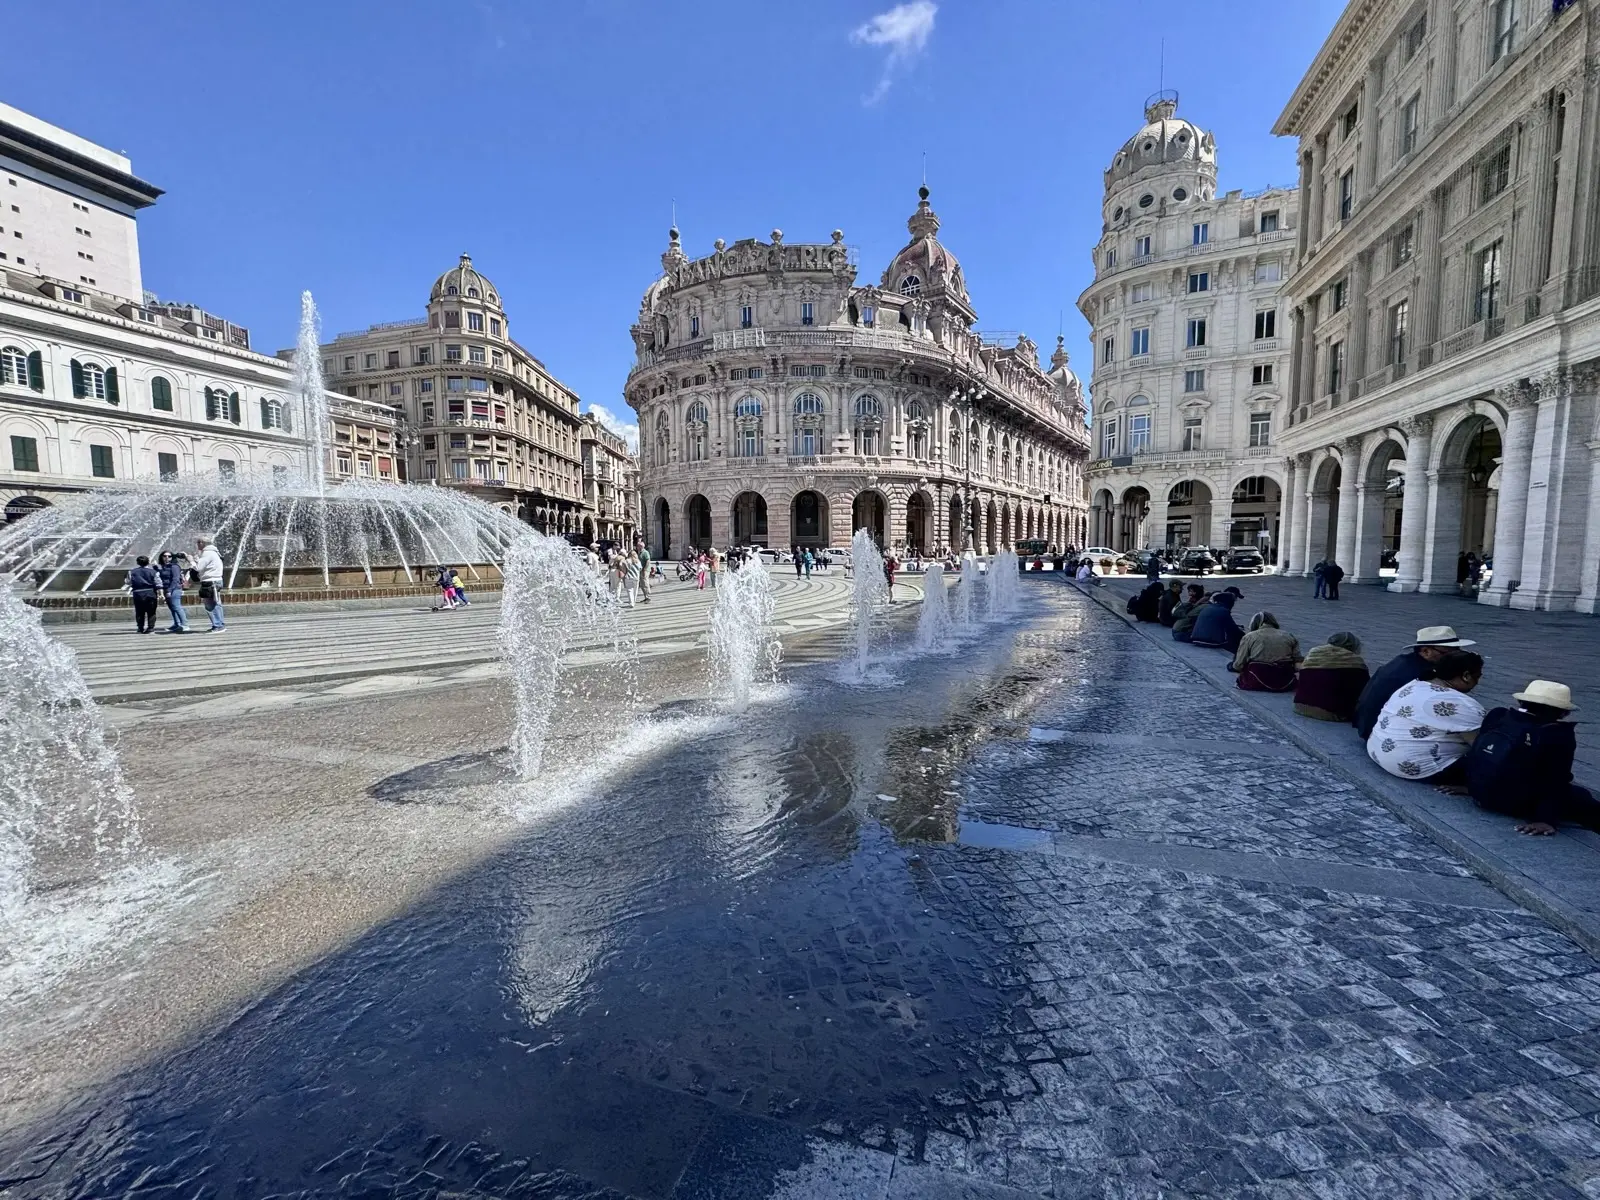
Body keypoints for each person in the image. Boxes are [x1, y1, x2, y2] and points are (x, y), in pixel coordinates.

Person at [1461, 680, 1600, 835]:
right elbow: (1557, 780)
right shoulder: (1557, 733)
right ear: (1563, 712)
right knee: (1581, 798)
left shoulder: (1498, 716)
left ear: (1521, 701)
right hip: (1517, 803)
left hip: (1481, 793)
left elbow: (1477, 753)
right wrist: (1545, 819)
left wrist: (1472, 785)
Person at [1366, 650, 1485, 782]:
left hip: (1377, 751)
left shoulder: (1414, 684)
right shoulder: (1461, 704)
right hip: (1417, 768)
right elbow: (1480, 747)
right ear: (1466, 676)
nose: (1477, 683)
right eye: (1477, 677)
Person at [1353, 626, 1476, 740]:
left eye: (1458, 651)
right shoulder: (1423, 675)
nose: (1456, 657)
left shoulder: (1404, 661)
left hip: (1367, 726)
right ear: (1426, 651)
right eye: (1449, 653)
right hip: (1378, 733)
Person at [1294, 632, 1369, 722]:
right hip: (1331, 713)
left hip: (1300, 706)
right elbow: (1364, 690)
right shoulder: (1356, 661)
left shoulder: (1313, 653)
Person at [1229, 611, 1301, 691]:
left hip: (1256, 679)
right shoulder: (1288, 635)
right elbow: (1298, 664)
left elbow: (1238, 665)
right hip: (1284, 681)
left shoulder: (1249, 637)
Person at [1189, 587, 1245, 653]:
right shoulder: (1224, 611)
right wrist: (1246, 636)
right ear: (1229, 603)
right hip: (1210, 642)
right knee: (1235, 640)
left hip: (1196, 639)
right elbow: (1233, 629)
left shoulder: (1208, 607)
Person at [194, 536, 225, 632]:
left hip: (211, 582)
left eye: (199, 542)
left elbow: (198, 568)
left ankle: (218, 626)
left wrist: (191, 560)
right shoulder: (214, 552)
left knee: (210, 605)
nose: (197, 544)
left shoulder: (207, 553)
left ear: (203, 543)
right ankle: (220, 624)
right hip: (216, 580)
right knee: (216, 603)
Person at [126, 555, 161, 634]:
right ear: (148, 562)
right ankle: (151, 628)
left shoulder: (131, 572)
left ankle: (140, 628)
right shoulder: (153, 572)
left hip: (137, 593)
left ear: (137, 563)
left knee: (139, 611)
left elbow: (128, 582)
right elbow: (158, 583)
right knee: (151, 612)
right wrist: (160, 593)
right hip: (150, 593)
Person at [157, 551, 189, 633]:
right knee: (172, 608)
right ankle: (177, 624)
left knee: (177, 607)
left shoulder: (174, 566)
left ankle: (185, 625)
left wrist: (169, 590)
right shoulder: (163, 567)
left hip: (175, 589)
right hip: (166, 588)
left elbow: (175, 579)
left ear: (172, 557)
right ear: (161, 557)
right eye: (164, 556)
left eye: (169, 556)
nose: (167, 558)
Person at [636, 539, 652, 603]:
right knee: (642, 584)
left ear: (641, 546)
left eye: (638, 546)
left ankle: (648, 596)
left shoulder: (645, 552)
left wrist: (645, 569)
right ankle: (646, 596)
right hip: (641, 569)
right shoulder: (639, 552)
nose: (637, 547)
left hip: (645, 570)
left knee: (645, 582)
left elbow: (648, 561)